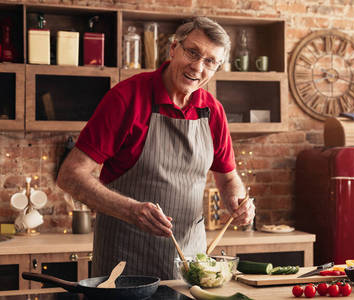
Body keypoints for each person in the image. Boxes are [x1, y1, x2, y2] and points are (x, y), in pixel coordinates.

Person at [57, 17, 255, 280]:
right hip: (124, 263)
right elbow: (70, 175)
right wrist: (130, 210)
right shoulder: (126, 98)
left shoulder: (213, 111)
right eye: (192, 52)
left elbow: (228, 177)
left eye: (210, 61)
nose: (198, 67)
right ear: (173, 49)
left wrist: (237, 200)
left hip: (190, 266)